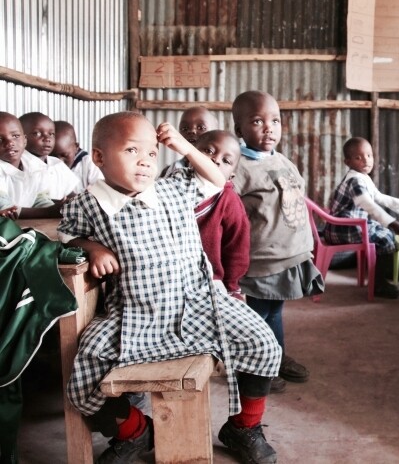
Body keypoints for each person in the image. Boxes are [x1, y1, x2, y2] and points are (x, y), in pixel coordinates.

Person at [59, 112, 281, 464]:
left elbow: (216, 179)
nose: (145, 162)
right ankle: (135, 431)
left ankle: (244, 426)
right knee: (83, 374)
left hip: (198, 304)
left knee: (263, 343)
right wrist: (92, 248)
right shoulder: (89, 203)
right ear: (99, 158)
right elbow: (67, 233)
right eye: (132, 151)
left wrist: (182, 145)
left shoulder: (174, 187)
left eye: (151, 154)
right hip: (132, 314)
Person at [232, 90, 324, 394]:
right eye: (257, 121)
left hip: (290, 257)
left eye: (275, 120)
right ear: (239, 130)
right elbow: (228, 212)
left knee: (274, 312)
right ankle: (257, 368)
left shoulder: (282, 160)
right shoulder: (240, 167)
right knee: (256, 318)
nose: (269, 127)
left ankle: (278, 356)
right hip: (261, 262)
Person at [324, 136, 399, 299]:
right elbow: (368, 204)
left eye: (369, 155)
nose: (366, 160)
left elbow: (378, 197)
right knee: (386, 237)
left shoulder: (363, 177)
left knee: (384, 233)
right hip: (342, 228)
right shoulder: (355, 181)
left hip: (350, 225)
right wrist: (394, 224)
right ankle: (379, 283)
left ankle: (377, 279)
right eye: (358, 157)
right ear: (348, 162)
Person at [194, 130, 250, 300]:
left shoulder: (228, 200)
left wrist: (232, 287)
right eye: (209, 151)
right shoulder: (172, 187)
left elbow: (236, 247)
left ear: (231, 175)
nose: (216, 160)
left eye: (226, 161)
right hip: (172, 278)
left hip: (211, 281)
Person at [0, 111, 63, 219]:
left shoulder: (35, 166)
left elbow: (39, 199)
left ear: (24, 140)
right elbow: (6, 210)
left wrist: (59, 208)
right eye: (0, 139)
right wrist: (50, 212)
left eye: (15, 136)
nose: (10, 143)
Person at [19, 112, 80, 199]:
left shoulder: (57, 164)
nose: (47, 139)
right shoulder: (21, 163)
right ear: (21, 137)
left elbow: (70, 193)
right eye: (37, 133)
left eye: (51, 134)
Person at [161, 106, 220, 177]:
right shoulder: (170, 171)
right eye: (184, 128)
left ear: (216, 134)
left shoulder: (218, 168)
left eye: (201, 128)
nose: (191, 131)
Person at [52, 120, 104, 191]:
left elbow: (100, 190)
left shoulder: (88, 163)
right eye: (52, 156)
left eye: (65, 155)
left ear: (76, 147)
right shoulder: (46, 166)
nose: (60, 161)